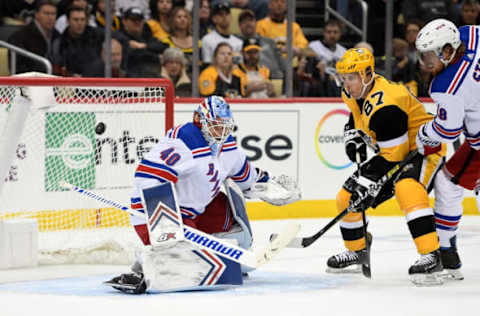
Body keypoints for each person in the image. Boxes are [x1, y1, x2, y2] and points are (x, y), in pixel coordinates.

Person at [105, 95, 300, 293]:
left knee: (230, 217)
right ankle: (143, 266)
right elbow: (146, 178)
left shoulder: (227, 146)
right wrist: (167, 223)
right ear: (200, 121)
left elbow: (246, 177)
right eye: (216, 126)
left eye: (225, 126)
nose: (221, 132)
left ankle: (219, 257)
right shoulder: (184, 140)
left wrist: (269, 186)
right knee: (183, 256)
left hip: (195, 212)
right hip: (155, 216)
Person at [328, 47, 446, 286]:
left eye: (351, 78)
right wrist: (352, 136)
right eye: (345, 78)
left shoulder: (387, 106)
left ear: (368, 75)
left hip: (422, 151)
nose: (346, 83)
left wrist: (368, 181)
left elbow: (398, 154)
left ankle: (432, 255)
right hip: (393, 152)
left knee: (407, 187)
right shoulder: (354, 91)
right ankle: (357, 250)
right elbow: (354, 115)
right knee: (346, 197)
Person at [415, 18, 480, 280]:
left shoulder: (446, 86)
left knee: (447, 181)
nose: (425, 61)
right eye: (422, 54)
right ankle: (446, 250)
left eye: (430, 54)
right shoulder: (472, 35)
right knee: (451, 180)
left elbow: (447, 131)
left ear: (448, 50)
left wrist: (423, 134)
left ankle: (444, 250)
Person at [114, 6, 168, 77]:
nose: (137, 23)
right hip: (128, 78)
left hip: (151, 76)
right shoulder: (119, 36)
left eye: (139, 20)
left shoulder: (147, 35)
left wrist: (143, 46)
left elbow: (164, 46)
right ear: (124, 21)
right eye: (133, 20)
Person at [8, 0, 59, 74]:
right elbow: (18, 68)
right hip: (31, 80)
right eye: (46, 13)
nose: (50, 17)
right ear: (37, 15)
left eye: (53, 14)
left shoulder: (58, 35)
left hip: (55, 80)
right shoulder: (19, 37)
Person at [51, 6, 104, 77]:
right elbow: (58, 69)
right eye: (76, 20)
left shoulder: (95, 34)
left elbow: (117, 36)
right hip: (72, 82)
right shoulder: (60, 43)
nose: (80, 23)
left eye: (82, 20)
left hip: (96, 80)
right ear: (68, 21)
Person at [237, 9, 285, 80]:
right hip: (246, 79)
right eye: (244, 21)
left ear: (256, 23)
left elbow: (282, 65)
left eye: (251, 20)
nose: (248, 23)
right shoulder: (235, 42)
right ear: (239, 25)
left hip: (273, 78)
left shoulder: (269, 42)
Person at [161, 6, 200, 77]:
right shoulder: (166, 42)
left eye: (185, 17)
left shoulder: (198, 42)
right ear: (173, 20)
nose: (182, 19)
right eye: (179, 17)